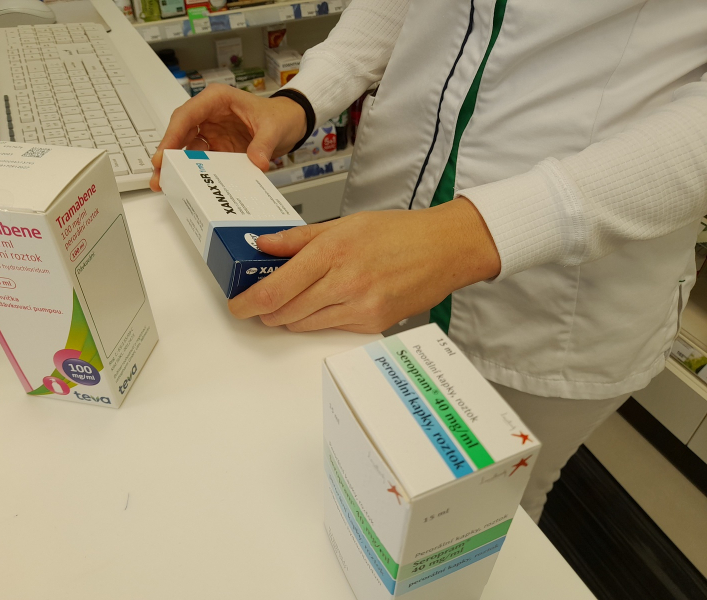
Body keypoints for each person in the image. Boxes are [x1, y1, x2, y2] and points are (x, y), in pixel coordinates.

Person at [150, 0, 707, 522]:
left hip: (553, 299)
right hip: (384, 225)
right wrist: (302, 98)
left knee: (481, 517)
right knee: (343, 468)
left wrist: (473, 235)